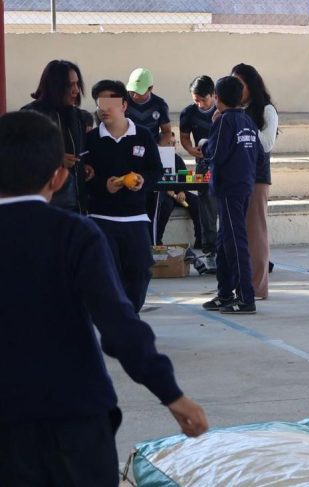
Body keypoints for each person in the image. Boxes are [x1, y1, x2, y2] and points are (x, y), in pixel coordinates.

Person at [0, 110, 208, 486]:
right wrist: (171, 394)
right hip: (75, 419)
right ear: (59, 176)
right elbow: (119, 325)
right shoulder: (76, 234)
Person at [82, 80, 163, 313]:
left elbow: (156, 171)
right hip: (101, 218)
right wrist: (103, 186)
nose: (104, 109)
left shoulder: (144, 136)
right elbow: (83, 177)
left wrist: (142, 181)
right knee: (109, 274)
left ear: (124, 105)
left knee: (140, 272)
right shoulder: (91, 140)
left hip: (135, 218)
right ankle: (119, 320)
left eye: (110, 103)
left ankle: (130, 313)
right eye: (100, 104)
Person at [201, 76, 264, 314]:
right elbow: (257, 156)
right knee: (224, 240)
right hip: (245, 185)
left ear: (217, 98)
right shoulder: (248, 121)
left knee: (235, 242)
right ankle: (225, 294)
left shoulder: (224, 122)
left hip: (229, 188)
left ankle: (245, 297)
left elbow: (214, 153)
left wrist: (205, 142)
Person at [232, 63, 278, 299]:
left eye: (241, 84)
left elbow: (267, 144)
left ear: (252, 85)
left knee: (256, 233)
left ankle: (258, 287)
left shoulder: (266, 110)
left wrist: (244, 123)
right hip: (236, 178)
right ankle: (239, 284)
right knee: (238, 234)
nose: (237, 89)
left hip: (256, 178)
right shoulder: (235, 110)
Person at [22, 60, 88, 214]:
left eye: (78, 84)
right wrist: (56, 159)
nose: (76, 90)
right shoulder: (31, 115)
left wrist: (84, 165)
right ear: (55, 87)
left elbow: (79, 150)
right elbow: (20, 156)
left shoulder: (78, 116)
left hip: (77, 202)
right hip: (45, 203)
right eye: (70, 85)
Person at [180, 75, 218, 266]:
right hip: (204, 162)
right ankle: (210, 248)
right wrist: (190, 149)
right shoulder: (188, 113)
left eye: (204, 99)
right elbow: (185, 137)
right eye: (197, 100)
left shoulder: (222, 111)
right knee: (207, 206)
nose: (201, 104)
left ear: (213, 94)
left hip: (223, 163)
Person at [152, 133, 203, 247]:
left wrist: (182, 191)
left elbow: (184, 177)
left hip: (178, 193)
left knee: (196, 202)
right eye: (168, 143)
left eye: (174, 143)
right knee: (165, 205)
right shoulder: (153, 160)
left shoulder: (178, 159)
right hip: (162, 194)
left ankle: (200, 239)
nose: (172, 146)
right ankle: (157, 241)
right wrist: (165, 189)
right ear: (158, 145)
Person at [125, 67, 173, 146]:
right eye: (132, 91)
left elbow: (167, 132)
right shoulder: (122, 101)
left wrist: (158, 148)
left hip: (150, 146)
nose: (135, 96)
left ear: (150, 88)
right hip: (126, 147)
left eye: (139, 91)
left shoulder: (160, 104)